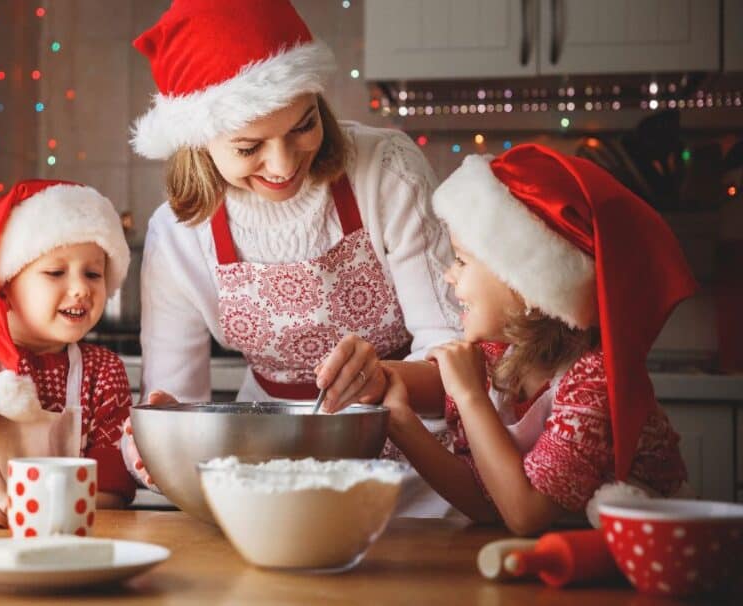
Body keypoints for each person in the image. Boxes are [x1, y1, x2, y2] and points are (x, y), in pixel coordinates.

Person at [127, 0, 462, 516]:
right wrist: (159, 433)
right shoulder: (177, 234)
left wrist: (384, 381)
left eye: (303, 126)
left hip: (421, 467)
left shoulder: (386, 171)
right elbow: (174, 401)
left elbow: (458, 357)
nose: (283, 165)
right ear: (198, 142)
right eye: (248, 147)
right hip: (265, 471)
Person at [357, 144, 694, 535]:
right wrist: (401, 423)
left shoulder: (594, 381)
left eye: (463, 261)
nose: (450, 275)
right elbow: (488, 504)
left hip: (640, 571)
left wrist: (470, 398)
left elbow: (525, 515)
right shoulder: (497, 359)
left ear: (530, 288)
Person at [0, 180, 137, 527]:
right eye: (56, 272)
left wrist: (33, 507)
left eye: (94, 274)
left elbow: (113, 485)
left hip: (67, 535)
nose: (80, 288)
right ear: (4, 284)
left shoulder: (102, 369)